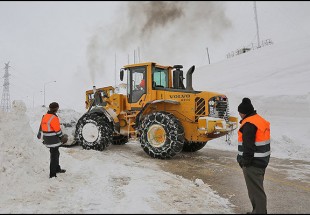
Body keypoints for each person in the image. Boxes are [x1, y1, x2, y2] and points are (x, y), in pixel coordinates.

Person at [237, 97, 271, 214]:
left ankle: (260, 212)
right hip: (261, 161)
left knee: (255, 191)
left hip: (253, 163)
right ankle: (257, 211)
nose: (240, 115)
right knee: (256, 189)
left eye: (240, 113)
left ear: (244, 112)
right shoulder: (258, 119)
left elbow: (248, 147)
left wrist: (244, 162)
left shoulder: (249, 124)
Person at [37, 102, 67, 178]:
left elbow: (41, 127)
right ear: (56, 108)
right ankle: (52, 174)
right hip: (53, 140)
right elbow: (58, 130)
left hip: (47, 139)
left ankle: (57, 168)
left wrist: (39, 134)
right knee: (54, 156)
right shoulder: (54, 118)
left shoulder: (45, 116)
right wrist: (62, 137)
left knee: (56, 154)